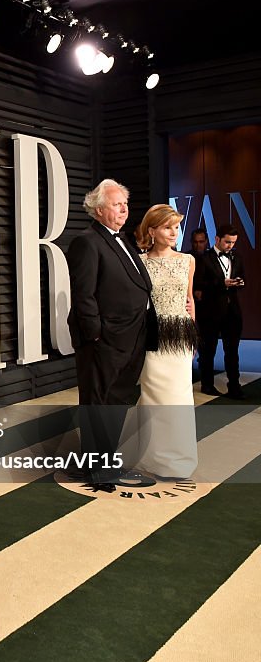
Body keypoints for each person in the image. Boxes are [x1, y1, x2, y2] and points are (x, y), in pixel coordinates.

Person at [66, 179, 157, 491]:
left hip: (130, 336)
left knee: (115, 401)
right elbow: (83, 294)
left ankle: (104, 463)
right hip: (104, 341)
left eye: (125, 203)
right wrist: (95, 336)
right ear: (99, 209)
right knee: (98, 402)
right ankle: (97, 470)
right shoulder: (87, 241)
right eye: (117, 204)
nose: (124, 209)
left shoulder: (120, 239)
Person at [129, 205, 198, 478]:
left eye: (176, 227)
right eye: (168, 227)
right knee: (154, 396)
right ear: (152, 230)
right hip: (153, 337)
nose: (174, 233)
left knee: (180, 397)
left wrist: (193, 334)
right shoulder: (140, 262)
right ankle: (149, 456)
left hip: (180, 336)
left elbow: (190, 300)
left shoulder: (187, 260)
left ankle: (177, 461)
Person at [195, 224, 246, 399]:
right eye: (227, 242)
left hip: (232, 311)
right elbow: (198, 286)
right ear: (217, 239)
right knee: (208, 350)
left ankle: (234, 386)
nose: (230, 245)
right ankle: (207, 385)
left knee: (232, 351)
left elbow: (242, 276)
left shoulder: (237, 257)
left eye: (233, 242)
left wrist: (239, 282)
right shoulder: (204, 259)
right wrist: (221, 284)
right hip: (210, 312)